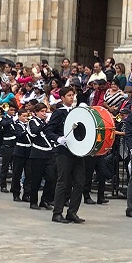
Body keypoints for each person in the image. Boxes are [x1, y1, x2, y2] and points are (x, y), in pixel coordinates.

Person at [45, 87, 86, 223]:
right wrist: (58, 138)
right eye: (68, 95)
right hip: (63, 152)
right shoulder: (58, 113)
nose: (71, 97)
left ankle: (72, 212)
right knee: (63, 182)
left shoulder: (76, 113)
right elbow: (49, 130)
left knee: (79, 182)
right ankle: (57, 213)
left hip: (77, 151)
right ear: (62, 98)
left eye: (72, 95)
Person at [26, 103, 56, 211]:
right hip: (37, 153)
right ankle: (33, 201)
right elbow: (34, 132)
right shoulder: (32, 121)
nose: (44, 113)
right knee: (36, 179)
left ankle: (44, 200)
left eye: (45, 111)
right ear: (36, 112)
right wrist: (45, 124)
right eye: (42, 111)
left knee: (51, 177)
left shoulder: (45, 122)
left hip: (48, 153)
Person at [11, 109, 32, 201]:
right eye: (23, 116)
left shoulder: (29, 125)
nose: (25, 118)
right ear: (19, 116)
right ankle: (16, 193)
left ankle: (26, 194)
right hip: (19, 150)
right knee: (17, 173)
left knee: (29, 173)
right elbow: (19, 135)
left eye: (26, 116)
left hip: (29, 150)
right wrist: (27, 130)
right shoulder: (16, 125)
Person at [0, 105, 18, 193]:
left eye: (14, 110)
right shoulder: (4, 118)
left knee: (15, 168)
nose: (13, 112)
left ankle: (14, 187)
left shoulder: (16, 119)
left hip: (15, 144)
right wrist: (12, 120)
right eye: (11, 110)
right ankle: (3, 185)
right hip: (7, 145)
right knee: (5, 167)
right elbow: (3, 124)